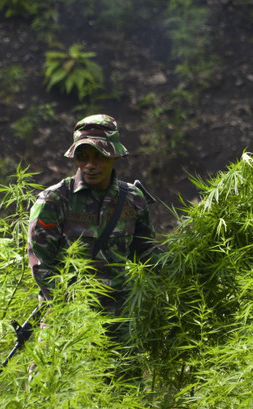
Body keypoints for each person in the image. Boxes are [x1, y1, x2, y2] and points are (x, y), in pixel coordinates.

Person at [27, 114, 157, 319]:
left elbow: (146, 253)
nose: (90, 165)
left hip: (120, 321)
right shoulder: (54, 200)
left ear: (115, 156)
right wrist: (72, 309)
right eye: (83, 157)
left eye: (99, 156)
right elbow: (42, 266)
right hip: (67, 319)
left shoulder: (132, 198)